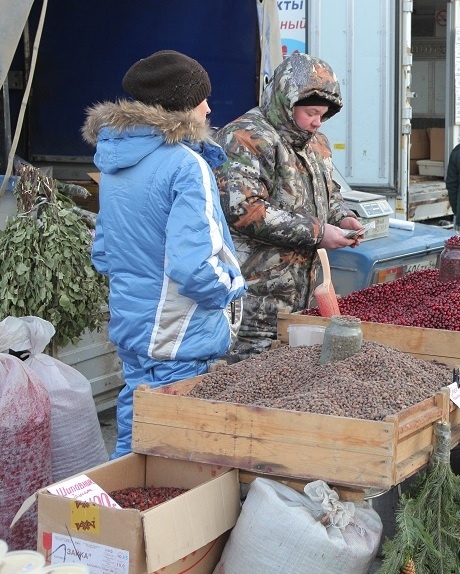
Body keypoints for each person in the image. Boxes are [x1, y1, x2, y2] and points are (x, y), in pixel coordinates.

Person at [83, 50, 248, 458]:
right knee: (177, 454)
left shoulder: (113, 163)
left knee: (136, 439)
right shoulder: (185, 165)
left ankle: (120, 514)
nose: (209, 107)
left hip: (132, 328)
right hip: (181, 336)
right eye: (200, 100)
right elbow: (195, 268)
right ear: (179, 107)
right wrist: (231, 288)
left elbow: (103, 253)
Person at [214, 53, 364, 362]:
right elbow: (246, 210)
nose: (316, 122)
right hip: (256, 307)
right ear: (286, 100)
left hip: (303, 304)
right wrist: (319, 232)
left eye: (322, 115)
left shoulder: (316, 143)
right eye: (310, 112)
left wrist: (344, 217)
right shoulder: (244, 137)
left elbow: (329, 196)